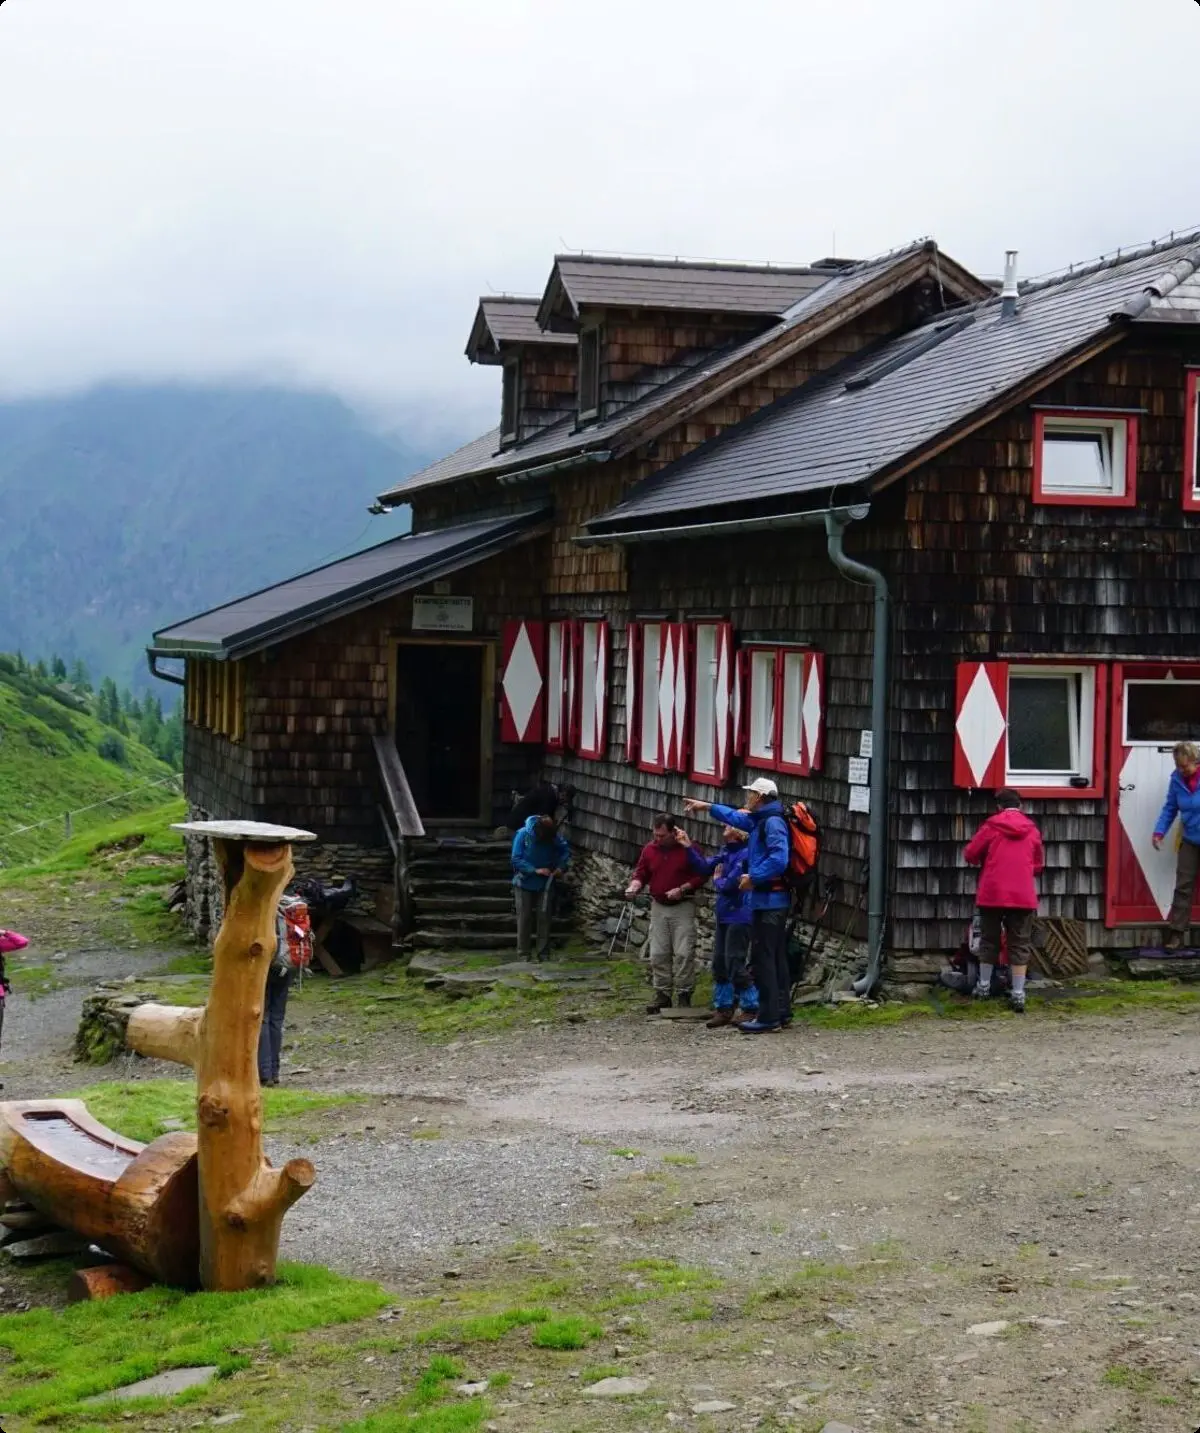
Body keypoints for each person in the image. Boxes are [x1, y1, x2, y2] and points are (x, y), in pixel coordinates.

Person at [684, 778, 792, 1034]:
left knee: (763, 959)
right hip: (768, 900)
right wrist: (706, 806)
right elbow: (735, 816)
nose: (748, 797)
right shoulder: (761, 820)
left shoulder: (772, 823)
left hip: (770, 902)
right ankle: (781, 1012)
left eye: (752, 793)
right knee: (775, 957)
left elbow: (780, 858)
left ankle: (768, 1017)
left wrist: (754, 877)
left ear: (761, 797)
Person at [963, 788, 1044, 1013]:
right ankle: (1018, 993)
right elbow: (1038, 865)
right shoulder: (1032, 830)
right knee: (1020, 941)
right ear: (1020, 805)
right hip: (1022, 894)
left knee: (989, 939)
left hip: (993, 892)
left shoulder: (991, 826)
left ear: (998, 806)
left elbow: (970, 854)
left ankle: (984, 986)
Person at [626, 814, 706, 1013]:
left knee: (683, 952)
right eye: (656, 835)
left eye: (662, 835)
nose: (658, 839)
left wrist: (683, 888)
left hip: (683, 905)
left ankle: (684, 994)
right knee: (658, 953)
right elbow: (641, 873)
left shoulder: (689, 849)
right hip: (659, 905)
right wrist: (634, 887)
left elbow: (702, 874)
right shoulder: (650, 849)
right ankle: (662, 994)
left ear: (673, 832)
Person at [681, 824, 759, 1028]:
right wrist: (688, 846)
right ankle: (723, 1008)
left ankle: (751, 1006)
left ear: (739, 832)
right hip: (725, 914)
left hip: (741, 914)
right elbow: (705, 867)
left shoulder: (745, 855)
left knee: (735, 962)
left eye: (729, 825)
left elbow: (731, 884)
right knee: (720, 963)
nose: (725, 826)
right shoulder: (726, 851)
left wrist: (717, 880)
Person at [1152, 740, 1200, 950]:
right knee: (1183, 886)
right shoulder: (1177, 780)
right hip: (1190, 839)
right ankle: (1176, 934)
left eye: (1185, 766)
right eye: (1178, 766)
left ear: (1195, 761)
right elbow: (1170, 807)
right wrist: (1159, 831)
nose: (1182, 770)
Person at [511, 814, 570, 960]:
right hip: (524, 882)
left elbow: (564, 851)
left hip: (546, 883)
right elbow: (516, 858)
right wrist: (533, 870)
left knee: (544, 917)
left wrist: (560, 868)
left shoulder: (552, 836)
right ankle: (523, 953)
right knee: (524, 918)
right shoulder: (523, 835)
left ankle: (543, 953)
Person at [508, 781, 573, 833]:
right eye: (565, 800)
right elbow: (544, 820)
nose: (563, 803)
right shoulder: (550, 798)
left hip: (517, 821)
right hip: (519, 825)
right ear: (563, 794)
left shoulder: (549, 790)